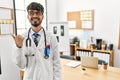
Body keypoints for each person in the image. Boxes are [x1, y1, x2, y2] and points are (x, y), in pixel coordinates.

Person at [12, 2, 61, 80]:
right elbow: (21, 65)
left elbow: (57, 64)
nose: (35, 16)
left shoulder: (51, 38)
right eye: (31, 13)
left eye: (38, 13)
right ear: (28, 16)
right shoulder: (21, 38)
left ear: (42, 16)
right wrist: (19, 47)